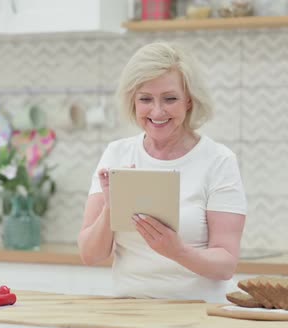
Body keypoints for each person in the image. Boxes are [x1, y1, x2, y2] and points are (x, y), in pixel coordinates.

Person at [77, 42, 247, 303]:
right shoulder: (117, 155)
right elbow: (91, 255)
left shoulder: (218, 161)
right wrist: (111, 208)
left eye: (170, 99)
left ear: (189, 101)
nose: (157, 112)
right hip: (130, 313)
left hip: (202, 313)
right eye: (145, 99)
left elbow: (225, 264)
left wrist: (177, 251)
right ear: (133, 101)